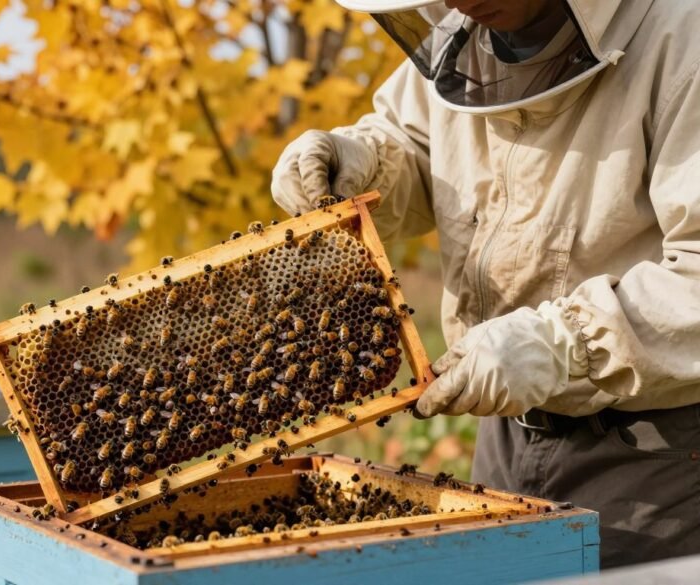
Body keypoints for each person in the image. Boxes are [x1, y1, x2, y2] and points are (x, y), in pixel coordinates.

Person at [271, 0, 700, 569]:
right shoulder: (463, 31)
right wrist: (363, 159)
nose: (457, 2)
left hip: (657, 453)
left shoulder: (682, 38)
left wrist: (563, 342)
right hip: (506, 436)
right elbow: (422, 149)